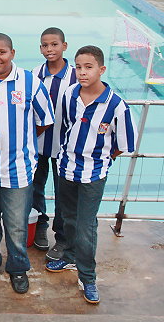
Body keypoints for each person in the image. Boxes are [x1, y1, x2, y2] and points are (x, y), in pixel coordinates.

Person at [0, 33, 54, 294]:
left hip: (18, 169)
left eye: (1, 52)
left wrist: (19, 142)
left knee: (16, 224)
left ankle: (18, 267)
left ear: (12, 53)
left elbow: (44, 121)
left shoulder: (30, 82)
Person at [46, 45, 136, 304]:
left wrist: (102, 159)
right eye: (78, 67)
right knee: (68, 218)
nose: (82, 72)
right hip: (66, 168)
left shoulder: (116, 105)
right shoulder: (70, 94)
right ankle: (70, 256)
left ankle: (88, 277)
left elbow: (123, 144)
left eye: (88, 67)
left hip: (93, 175)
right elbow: (65, 126)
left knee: (86, 226)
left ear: (101, 69)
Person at [31, 27, 76, 260]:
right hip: (37, 144)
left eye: (54, 44)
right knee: (35, 188)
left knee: (63, 193)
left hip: (66, 147)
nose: (50, 49)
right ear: (40, 48)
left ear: (64, 46)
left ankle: (62, 237)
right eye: (45, 45)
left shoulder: (76, 76)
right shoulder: (34, 74)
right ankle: (39, 224)